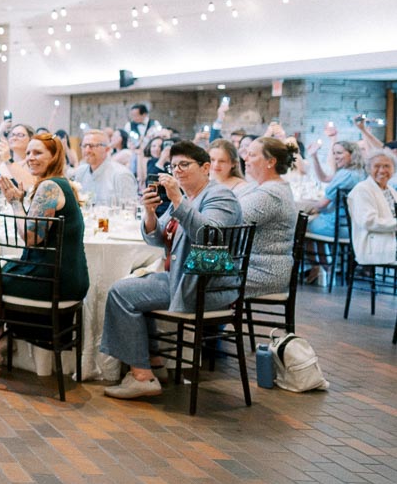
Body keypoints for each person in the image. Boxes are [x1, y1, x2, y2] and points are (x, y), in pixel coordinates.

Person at [101, 141, 242, 400]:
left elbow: (209, 237)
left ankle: (142, 376)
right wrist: (150, 212)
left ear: (206, 167)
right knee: (129, 286)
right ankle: (154, 364)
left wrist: (176, 198)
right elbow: (157, 239)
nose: (177, 170)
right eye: (173, 165)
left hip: (207, 285)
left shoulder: (220, 197)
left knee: (121, 292)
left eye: (184, 165)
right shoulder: (189, 198)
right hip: (182, 279)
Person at [0, 133, 88, 372]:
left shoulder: (50, 187)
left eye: (38, 153)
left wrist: (14, 203)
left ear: (55, 156)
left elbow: (32, 238)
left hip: (52, 282)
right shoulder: (60, 183)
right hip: (68, 277)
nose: (31, 158)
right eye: (29, 153)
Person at [237, 138, 303, 296]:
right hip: (250, 265)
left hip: (264, 271)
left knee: (202, 277)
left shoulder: (271, 194)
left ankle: (215, 319)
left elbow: (232, 219)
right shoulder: (258, 186)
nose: (245, 158)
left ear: (271, 161)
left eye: (252, 155)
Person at [347, 149, 396, 269]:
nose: (382, 170)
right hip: (373, 245)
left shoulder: (390, 190)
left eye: (387, 166)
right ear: (368, 169)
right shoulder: (362, 190)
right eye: (377, 166)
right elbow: (369, 221)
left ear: (393, 169)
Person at [70, 130, 138, 205]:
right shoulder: (81, 172)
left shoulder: (121, 175)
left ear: (107, 149)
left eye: (92, 146)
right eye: (84, 146)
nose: (87, 150)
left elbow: (130, 211)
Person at [0, 123, 36, 202]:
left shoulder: (32, 163)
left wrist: (7, 159)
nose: (14, 138)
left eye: (20, 135)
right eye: (12, 135)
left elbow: (30, 188)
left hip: (17, 212)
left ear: (31, 139)